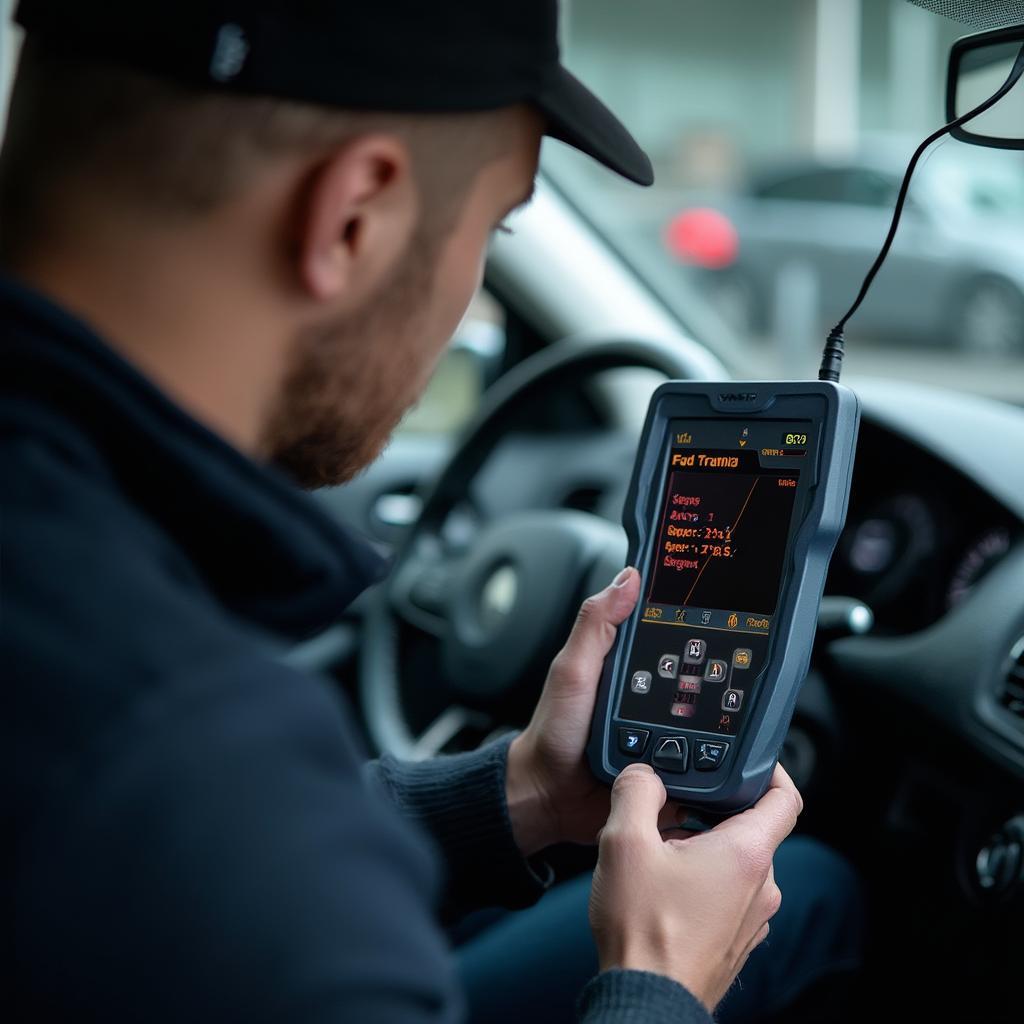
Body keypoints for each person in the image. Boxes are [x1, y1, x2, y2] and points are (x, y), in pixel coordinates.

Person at [4, 2, 862, 1021]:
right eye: (494, 229)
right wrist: (658, 980)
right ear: (354, 216)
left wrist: (523, 793)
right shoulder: (196, 772)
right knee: (810, 896)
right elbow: (228, 847)